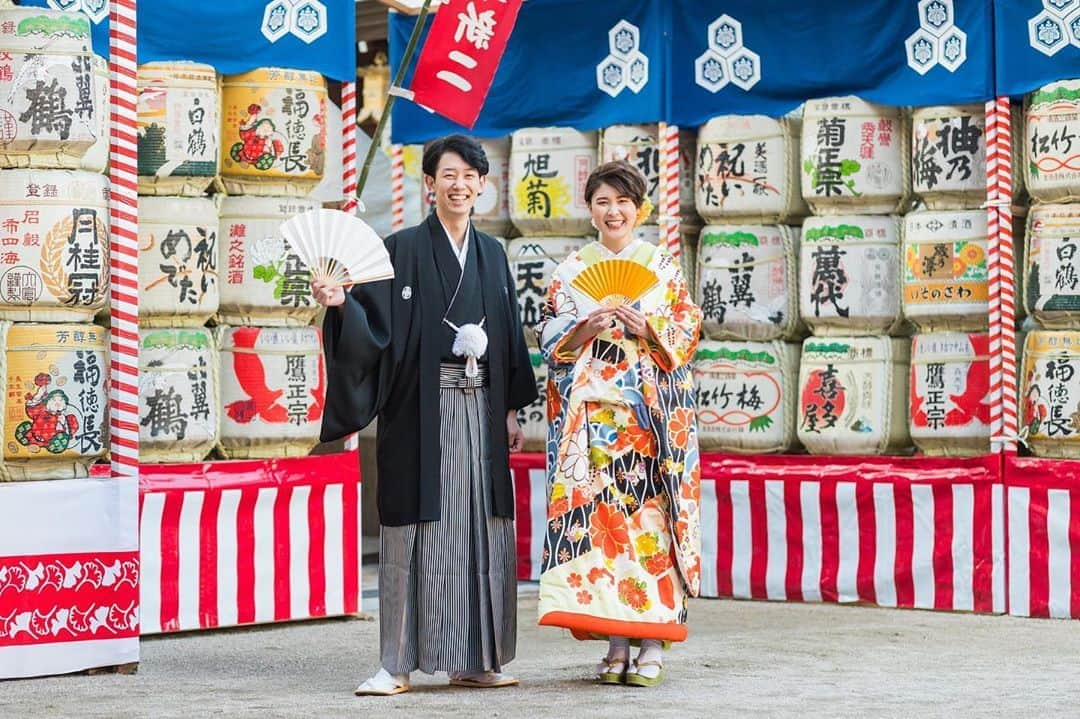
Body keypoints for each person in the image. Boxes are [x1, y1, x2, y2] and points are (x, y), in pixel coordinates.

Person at [313, 134, 538, 696]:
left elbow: (508, 335)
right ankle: (397, 663)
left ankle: (476, 657)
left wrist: (509, 408)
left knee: (480, 532)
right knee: (414, 532)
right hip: (422, 409)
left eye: (469, 175)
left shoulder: (492, 254)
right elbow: (373, 326)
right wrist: (341, 304)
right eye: (448, 175)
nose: (459, 184)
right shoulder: (402, 248)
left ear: (483, 186)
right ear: (429, 184)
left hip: (482, 411)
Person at [535, 161, 703, 687]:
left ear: (640, 209)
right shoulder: (570, 271)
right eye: (603, 201)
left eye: (623, 202)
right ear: (590, 209)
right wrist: (582, 327)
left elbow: (687, 327)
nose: (614, 211)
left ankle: (651, 642)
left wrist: (648, 328)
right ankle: (613, 641)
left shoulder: (662, 267)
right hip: (590, 424)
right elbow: (549, 336)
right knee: (602, 533)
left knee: (648, 529)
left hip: (646, 424)